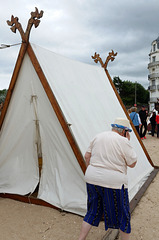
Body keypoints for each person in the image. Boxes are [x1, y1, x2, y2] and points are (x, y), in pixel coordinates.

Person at [78, 118, 137, 240]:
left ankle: (81, 238)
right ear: (124, 131)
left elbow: (87, 156)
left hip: (92, 178)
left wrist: (91, 171)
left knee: (92, 211)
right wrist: (127, 141)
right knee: (122, 215)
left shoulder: (98, 136)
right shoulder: (123, 141)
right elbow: (132, 163)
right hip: (114, 182)